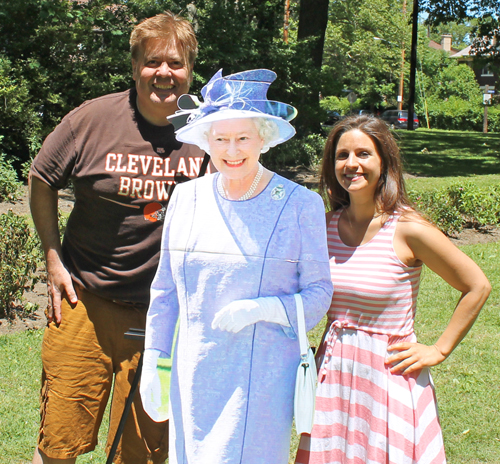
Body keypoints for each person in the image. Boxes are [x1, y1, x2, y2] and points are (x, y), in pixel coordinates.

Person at [29, 12, 208, 464]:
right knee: (59, 441)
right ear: (134, 67)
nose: (164, 73)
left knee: (144, 451)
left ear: (189, 69)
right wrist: (53, 258)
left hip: (162, 317)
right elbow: (41, 176)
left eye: (175, 63)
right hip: (83, 303)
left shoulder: (208, 131)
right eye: (152, 62)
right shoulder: (91, 121)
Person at [139, 68, 334, 464]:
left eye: (243, 137)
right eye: (221, 138)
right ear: (205, 139)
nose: (232, 150)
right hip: (193, 375)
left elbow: (319, 293)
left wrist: (264, 309)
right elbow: (165, 292)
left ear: (264, 137)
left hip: (262, 380)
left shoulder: (299, 205)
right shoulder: (186, 199)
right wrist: (154, 356)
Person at [296, 115, 491, 464]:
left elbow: (477, 285)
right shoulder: (324, 228)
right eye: (342, 155)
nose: (351, 164)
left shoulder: (407, 229)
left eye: (363, 154)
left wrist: (439, 349)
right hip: (333, 377)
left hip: (388, 377)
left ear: (384, 161)